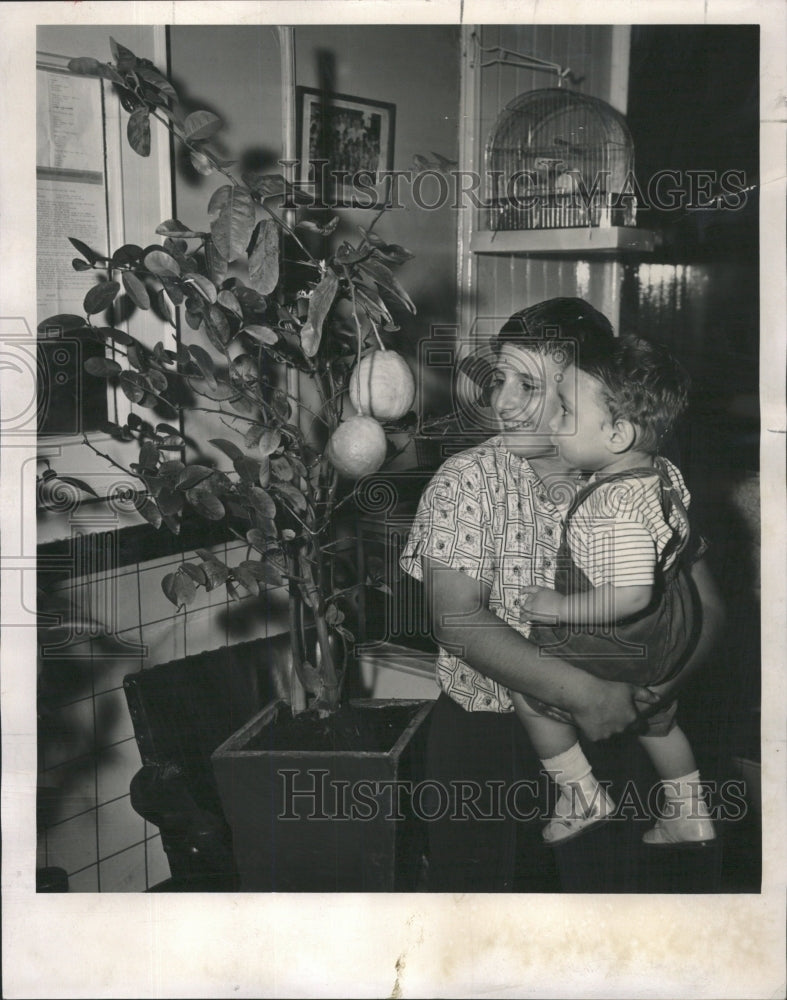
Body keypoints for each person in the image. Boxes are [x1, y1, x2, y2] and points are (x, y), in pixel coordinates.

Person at [400, 297, 723, 891]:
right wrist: (589, 694)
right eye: (500, 379)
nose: (501, 402)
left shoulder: (638, 476)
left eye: (529, 385)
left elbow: (711, 609)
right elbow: (456, 620)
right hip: (488, 743)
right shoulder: (469, 479)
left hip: (619, 731)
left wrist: (649, 694)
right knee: (480, 924)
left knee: (600, 923)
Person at [510, 335, 716, 847]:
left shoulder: (610, 509)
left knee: (526, 686)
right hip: (671, 632)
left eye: (565, 412)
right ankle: (689, 814)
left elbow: (628, 596)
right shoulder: (661, 473)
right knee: (660, 726)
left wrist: (559, 607)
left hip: (623, 633)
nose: (554, 423)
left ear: (618, 434)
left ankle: (579, 793)